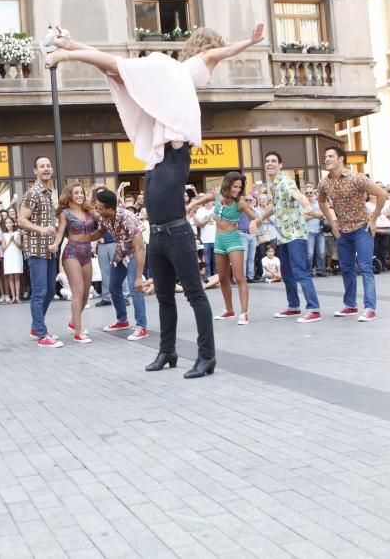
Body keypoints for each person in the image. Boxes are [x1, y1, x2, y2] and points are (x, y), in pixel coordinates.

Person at [45, 23, 265, 377]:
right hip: (159, 231)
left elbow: (216, 54)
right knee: (163, 296)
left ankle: (206, 357)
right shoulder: (157, 148)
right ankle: (168, 353)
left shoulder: (178, 139)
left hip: (176, 230)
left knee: (194, 294)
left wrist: (248, 43)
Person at [317, 146, 388, 322]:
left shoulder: (357, 178)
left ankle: (370, 308)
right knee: (347, 268)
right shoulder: (324, 183)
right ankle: (350, 306)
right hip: (342, 231)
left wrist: (373, 220)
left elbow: (382, 194)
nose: (326, 159)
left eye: (330, 156)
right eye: (326, 157)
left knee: (365, 268)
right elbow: (321, 201)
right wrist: (332, 222)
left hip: (362, 229)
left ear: (341, 159)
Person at [251, 152, 322, 323]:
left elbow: (298, 195)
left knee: (300, 271)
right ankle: (293, 307)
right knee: (287, 273)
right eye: (267, 161)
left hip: (295, 234)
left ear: (280, 165)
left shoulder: (286, 181)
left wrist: (307, 206)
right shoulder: (274, 185)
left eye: (273, 161)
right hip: (283, 236)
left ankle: (314, 309)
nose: (269, 164)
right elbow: (273, 206)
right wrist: (259, 220)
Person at [188, 173, 260, 325]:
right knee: (222, 278)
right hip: (218, 239)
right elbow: (206, 198)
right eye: (235, 186)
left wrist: (255, 223)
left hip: (233, 239)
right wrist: (191, 205)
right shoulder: (218, 194)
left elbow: (254, 216)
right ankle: (229, 309)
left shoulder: (240, 202)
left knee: (239, 277)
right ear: (228, 185)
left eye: (239, 187)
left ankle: (244, 313)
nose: (237, 190)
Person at [17, 156, 61, 348]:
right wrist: (42, 230)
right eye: (42, 166)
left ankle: (37, 326)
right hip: (35, 249)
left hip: (49, 248)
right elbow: (21, 220)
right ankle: (42, 334)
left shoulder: (48, 193)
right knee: (40, 291)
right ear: (35, 171)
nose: (46, 169)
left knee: (50, 290)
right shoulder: (32, 193)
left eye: (48, 166)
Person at [93, 189, 148, 340]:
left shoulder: (127, 218)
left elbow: (140, 248)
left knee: (134, 288)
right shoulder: (105, 216)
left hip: (134, 253)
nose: (97, 210)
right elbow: (100, 231)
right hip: (120, 252)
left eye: (99, 207)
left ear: (110, 208)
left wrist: (138, 277)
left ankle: (142, 326)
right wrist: (85, 238)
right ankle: (122, 320)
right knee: (113, 287)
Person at [51, 183, 97, 344]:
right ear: (69, 195)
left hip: (87, 252)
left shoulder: (89, 210)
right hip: (72, 252)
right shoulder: (65, 213)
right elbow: (60, 232)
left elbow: (104, 219)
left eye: (82, 193)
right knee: (77, 293)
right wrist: (55, 245)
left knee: (86, 294)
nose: (80, 195)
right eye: (76, 193)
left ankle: (73, 322)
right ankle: (78, 332)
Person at [304, 186, 327, 277]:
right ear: (304, 195)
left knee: (321, 252)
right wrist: (315, 215)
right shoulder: (303, 205)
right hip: (309, 231)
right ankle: (309, 271)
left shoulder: (318, 204)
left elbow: (323, 213)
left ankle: (320, 270)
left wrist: (311, 214)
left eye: (311, 192)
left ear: (314, 193)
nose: (309, 194)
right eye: (307, 193)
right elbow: (303, 217)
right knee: (309, 254)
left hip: (319, 230)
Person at [0, 217, 23, 305]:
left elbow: (20, 246)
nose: (8, 224)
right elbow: (3, 248)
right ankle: (13, 296)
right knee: (10, 276)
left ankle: (17, 296)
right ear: (5, 225)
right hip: (8, 256)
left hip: (16, 255)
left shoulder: (17, 233)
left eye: (10, 222)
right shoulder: (4, 235)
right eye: (7, 223)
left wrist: (14, 241)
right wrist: (10, 241)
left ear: (13, 223)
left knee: (16, 276)